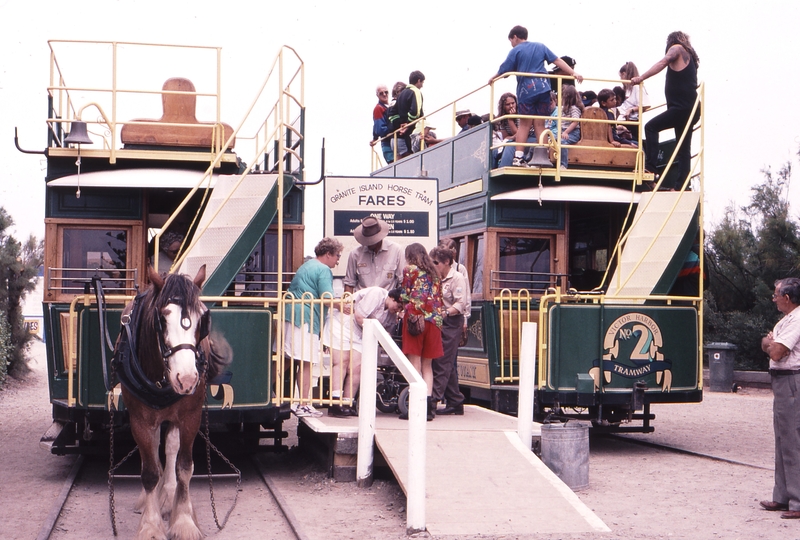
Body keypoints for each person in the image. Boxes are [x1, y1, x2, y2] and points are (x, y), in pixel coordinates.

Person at [489, 25, 582, 168]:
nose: (512, 44)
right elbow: (557, 60)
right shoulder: (540, 46)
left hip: (527, 90)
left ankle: (518, 158)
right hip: (544, 88)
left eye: (511, 41)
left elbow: (504, 70)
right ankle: (542, 157)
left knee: (525, 124)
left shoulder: (515, 50)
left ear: (515, 37)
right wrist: (573, 73)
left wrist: (493, 78)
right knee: (540, 124)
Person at [278, 237, 343, 418]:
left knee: (288, 358)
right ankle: (304, 404)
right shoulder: (323, 270)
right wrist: (342, 305)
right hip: (306, 317)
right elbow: (327, 298)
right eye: (337, 255)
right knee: (306, 361)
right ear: (328, 254)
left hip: (291, 315)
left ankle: (264, 389)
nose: (338, 260)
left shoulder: (306, 265)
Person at [631, 31, 701, 190]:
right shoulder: (688, 56)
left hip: (682, 108)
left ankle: (651, 167)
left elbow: (663, 62)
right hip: (689, 108)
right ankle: (682, 185)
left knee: (651, 127)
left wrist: (641, 78)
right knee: (683, 146)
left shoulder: (676, 48)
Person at [323, 286, 404, 417]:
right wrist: (382, 333)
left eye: (401, 308)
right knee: (341, 361)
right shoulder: (377, 294)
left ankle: (348, 402)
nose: (398, 309)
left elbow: (386, 330)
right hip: (342, 323)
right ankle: (335, 401)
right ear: (391, 297)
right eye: (398, 305)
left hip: (361, 333)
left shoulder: (391, 315)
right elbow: (359, 316)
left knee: (357, 367)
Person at [760, 278, 800, 519]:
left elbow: (775, 351)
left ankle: (797, 500)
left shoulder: (797, 321)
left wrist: (770, 344)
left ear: (787, 298)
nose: (774, 299)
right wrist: (770, 344)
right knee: (782, 438)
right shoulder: (786, 320)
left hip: (792, 381)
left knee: (792, 440)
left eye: (776, 295)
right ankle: (782, 495)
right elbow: (768, 343)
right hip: (782, 381)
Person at [399, 243, 443, 421]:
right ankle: (429, 408)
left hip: (415, 320)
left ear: (410, 256)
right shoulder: (435, 272)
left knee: (414, 364)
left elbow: (404, 295)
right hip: (434, 321)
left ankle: (416, 407)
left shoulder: (410, 270)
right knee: (428, 366)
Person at [430, 246, 468, 415]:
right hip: (438, 321)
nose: (433, 265)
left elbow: (461, 303)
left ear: (446, 262)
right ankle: (455, 401)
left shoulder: (457, 278)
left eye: (436, 262)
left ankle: (432, 400)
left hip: (451, 321)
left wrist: (445, 313)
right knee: (444, 361)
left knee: (443, 361)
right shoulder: (435, 277)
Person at [343, 216, 404, 294]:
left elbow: (403, 282)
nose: (370, 243)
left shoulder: (396, 250)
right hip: (362, 302)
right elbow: (349, 284)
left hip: (387, 302)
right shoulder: (355, 254)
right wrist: (349, 304)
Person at [396, 70, 426, 160]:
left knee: (411, 153)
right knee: (419, 154)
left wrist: (402, 124)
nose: (422, 85)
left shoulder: (401, 94)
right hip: (414, 128)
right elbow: (415, 112)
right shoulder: (415, 91)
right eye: (422, 82)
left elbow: (394, 112)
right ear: (419, 80)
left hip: (405, 131)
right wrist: (408, 124)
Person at [617, 62, 650, 141]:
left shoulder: (637, 87)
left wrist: (630, 110)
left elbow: (645, 105)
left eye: (620, 76)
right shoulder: (626, 89)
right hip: (622, 120)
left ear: (624, 74)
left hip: (630, 121)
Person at [370, 84, 393, 164]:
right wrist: (393, 130)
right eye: (381, 93)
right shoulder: (378, 108)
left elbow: (376, 126)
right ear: (377, 95)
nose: (384, 94)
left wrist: (375, 138)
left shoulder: (389, 106)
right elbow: (379, 127)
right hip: (388, 144)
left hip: (392, 142)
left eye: (386, 92)